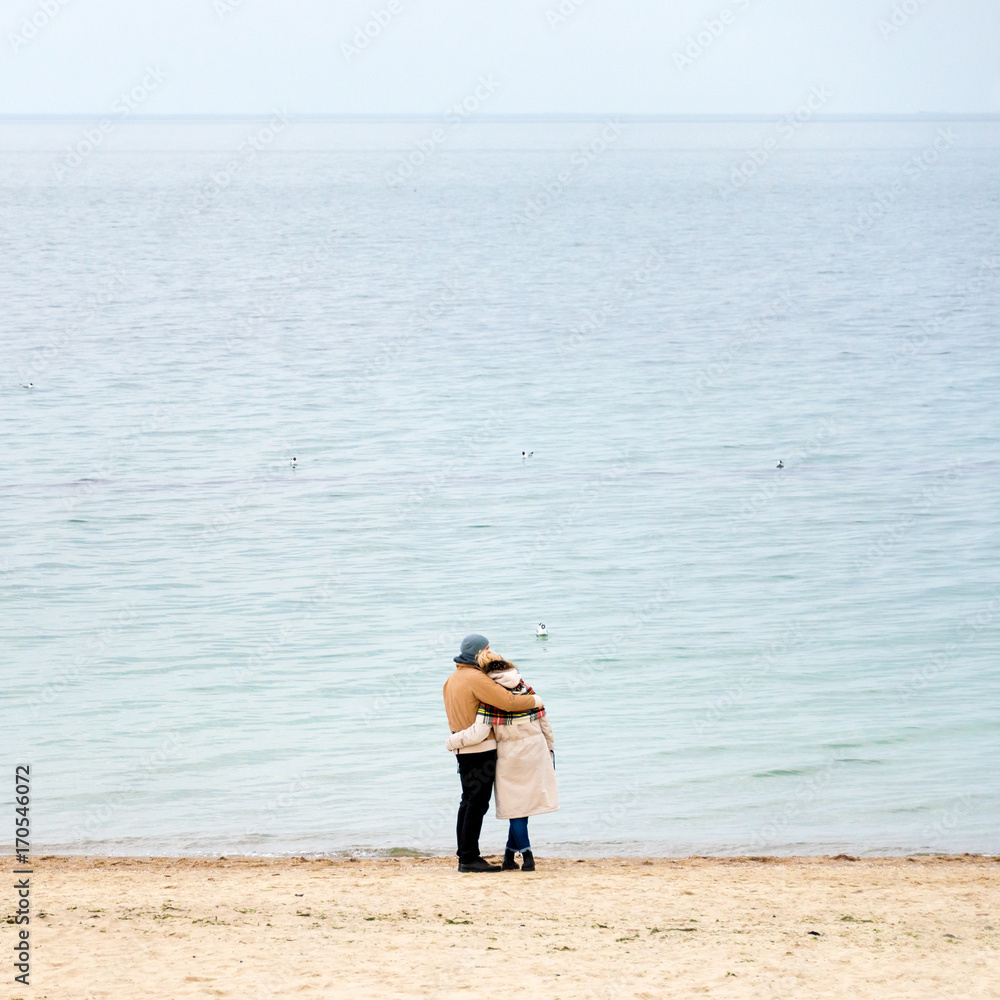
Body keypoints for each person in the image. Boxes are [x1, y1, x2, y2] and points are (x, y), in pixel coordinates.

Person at [446, 648, 557, 872]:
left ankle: (527, 856)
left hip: (509, 756)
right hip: (537, 750)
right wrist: (551, 751)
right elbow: (545, 723)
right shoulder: (527, 689)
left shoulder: (493, 698)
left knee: (514, 806)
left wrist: (452, 741)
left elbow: (478, 733)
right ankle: (508, 855)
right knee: (523, 805)